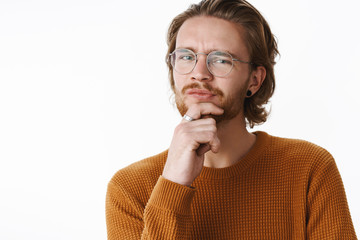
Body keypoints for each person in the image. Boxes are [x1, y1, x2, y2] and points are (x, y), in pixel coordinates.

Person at [106, 0, 357, 239]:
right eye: (186, 56)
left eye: (221, 60)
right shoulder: (130, 188)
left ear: (254, 80)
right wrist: (173, 184)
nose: (200, 74)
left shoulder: (309, 168)